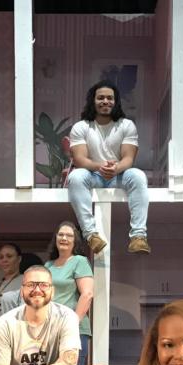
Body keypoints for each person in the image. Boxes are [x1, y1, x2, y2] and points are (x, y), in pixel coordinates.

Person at [66, 80, 150, 256]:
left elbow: (129, 158)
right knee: (76, 176)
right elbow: (80, 159)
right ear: (93, 101)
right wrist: (99, 166)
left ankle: (138, 237)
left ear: (116, 101)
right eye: (101, 98)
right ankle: (91, 235)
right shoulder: (81, 127)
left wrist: (116, 168)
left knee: (138, 175)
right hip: (93, 176)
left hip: (118, 176)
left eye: (110, 98)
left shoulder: (127, 125)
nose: (105, 101)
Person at [45, 221, 94, 365]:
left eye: (69, 235)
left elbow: (87, 294)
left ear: (75, 241)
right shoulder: (48, 265)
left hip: (74, 330)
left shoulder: (79, 261)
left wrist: (72, 324)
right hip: (51, 330)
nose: (64, 238)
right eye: (61, 234)